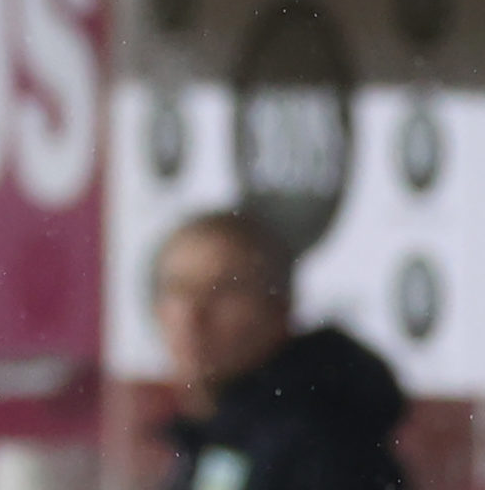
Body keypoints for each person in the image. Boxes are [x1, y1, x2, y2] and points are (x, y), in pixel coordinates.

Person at [151, 210, 407, 490]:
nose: (193, 317)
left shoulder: (326, 447)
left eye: (222, 291)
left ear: (278, 307)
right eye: (178, 290)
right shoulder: (213, 435)